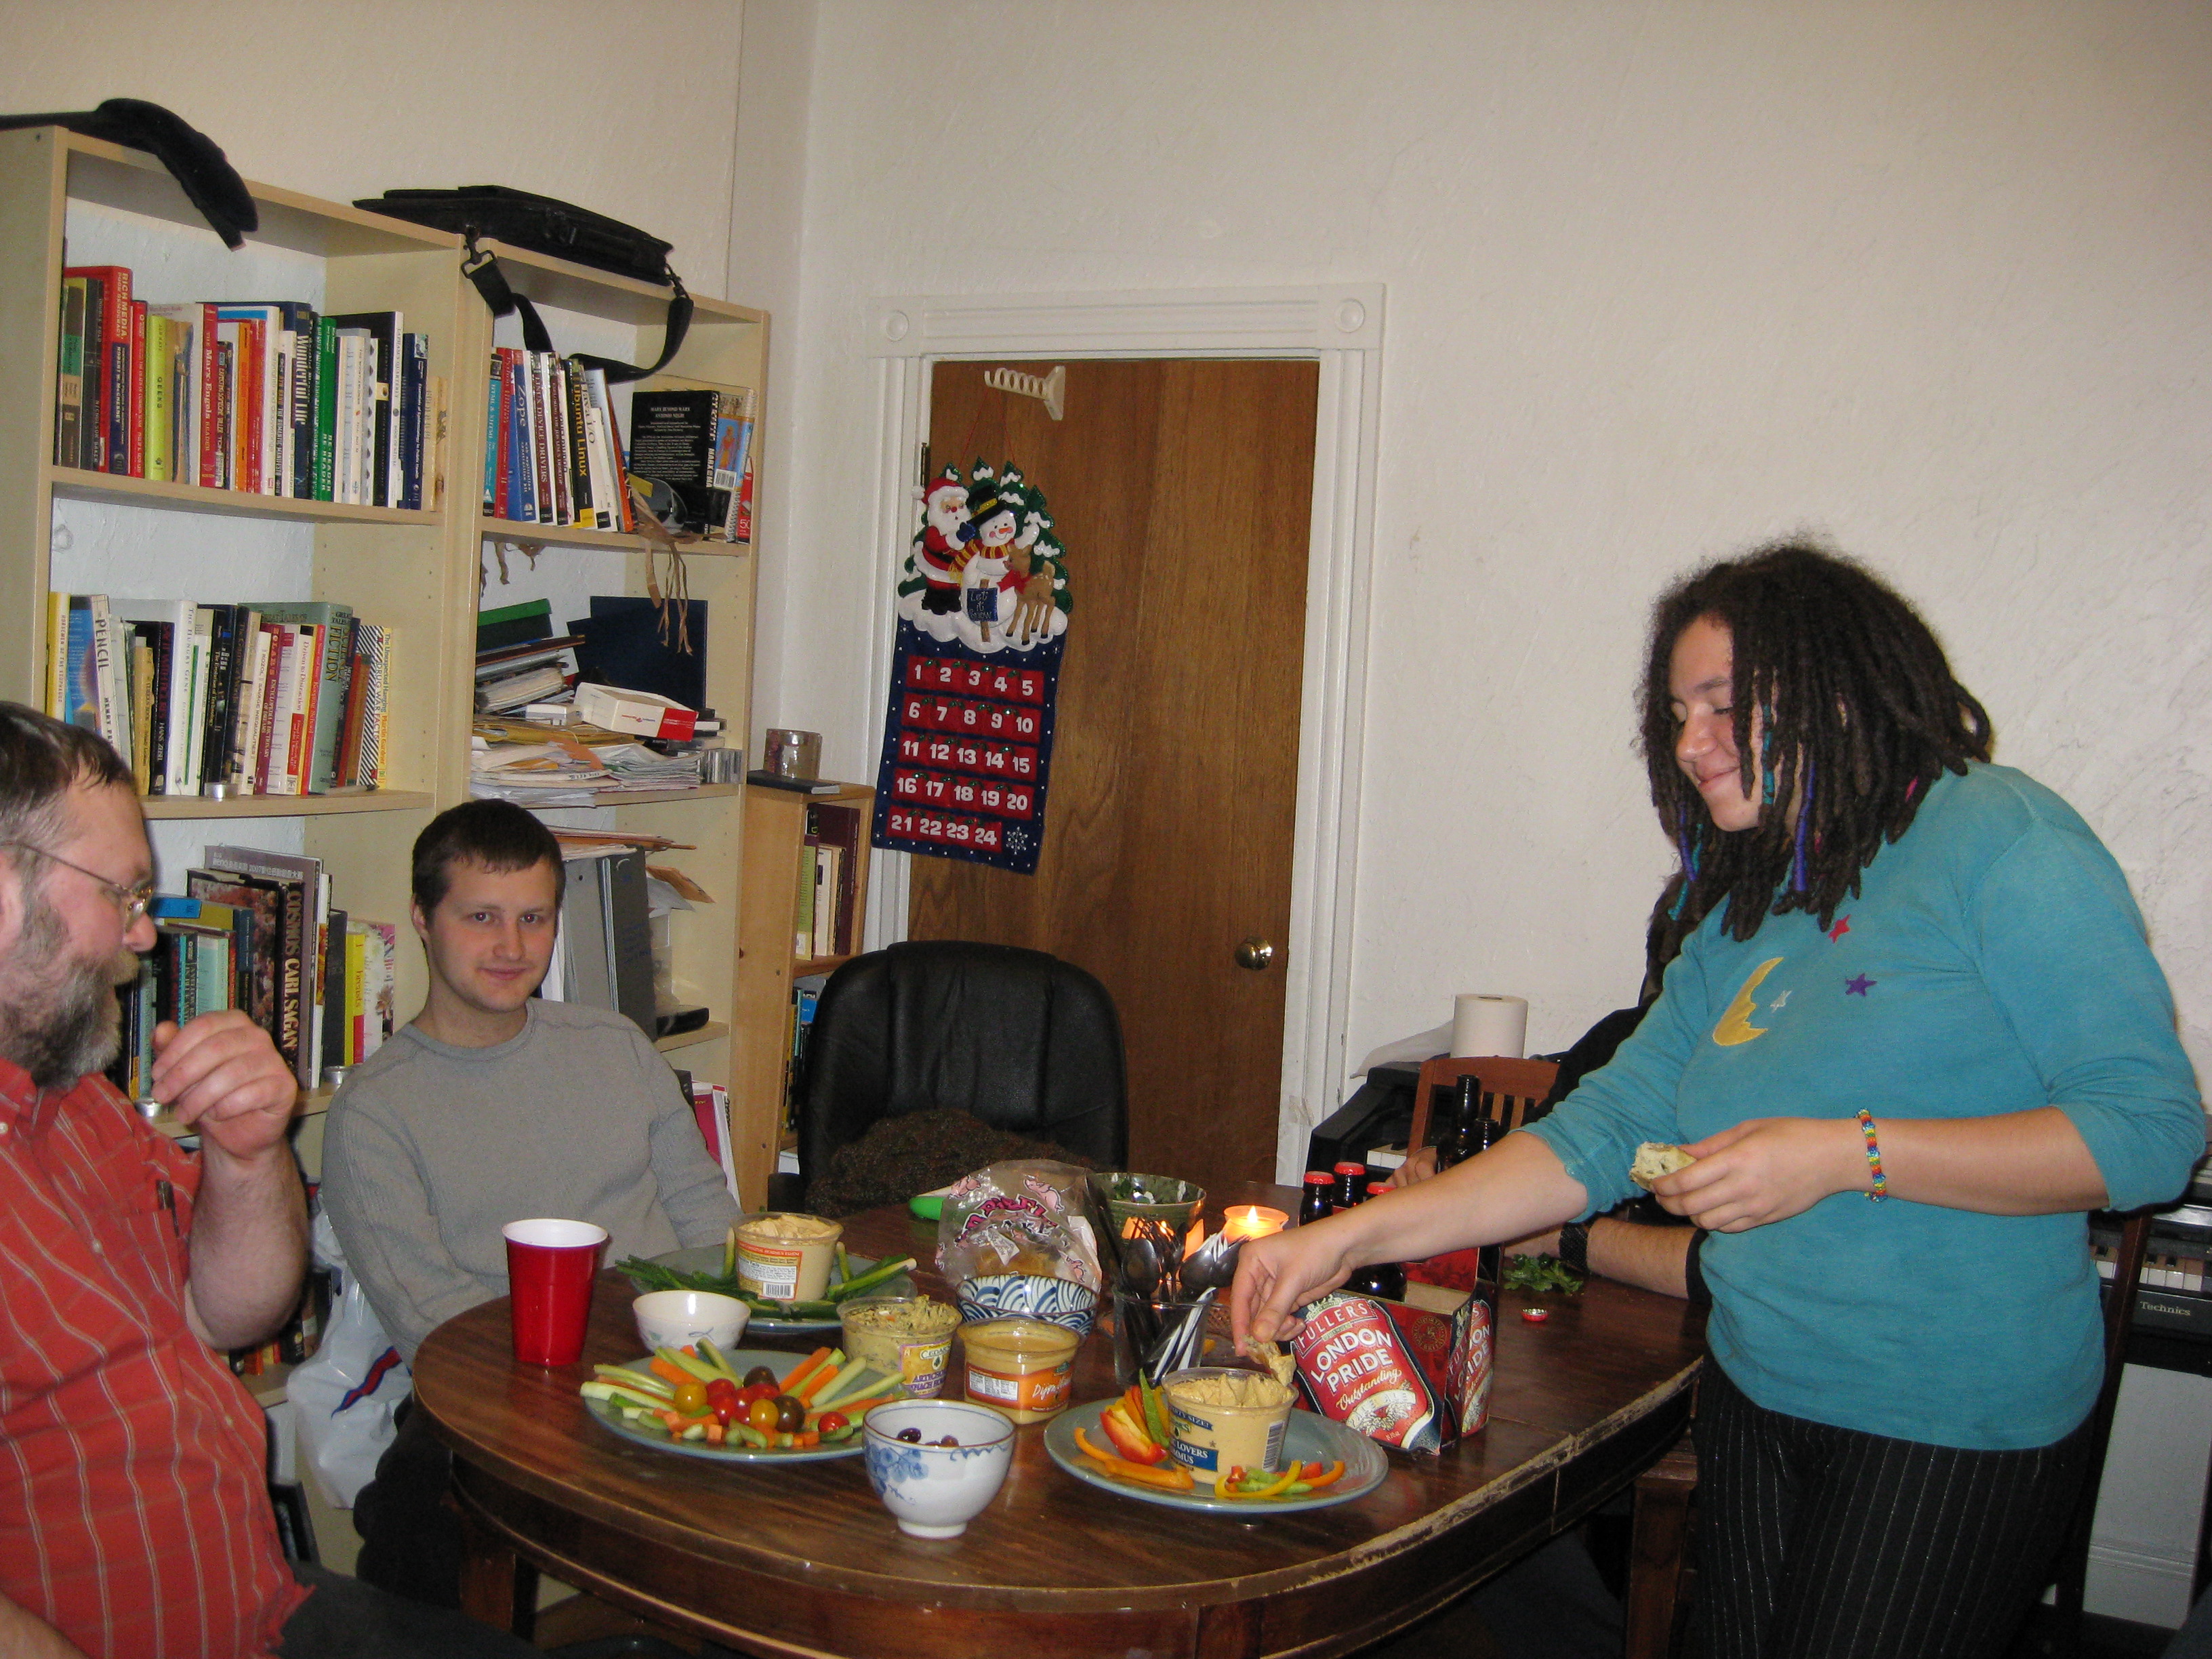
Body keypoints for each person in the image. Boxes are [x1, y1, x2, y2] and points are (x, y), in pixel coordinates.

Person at [1233, 544, 2203, 1659]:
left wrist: (1846, 1154)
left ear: (1839, 685)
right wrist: (1345, 1239)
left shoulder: (2000, 837)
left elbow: (2148, 1132)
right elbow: (1596, 1131)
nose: (1691, 743)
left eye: (1723, 705)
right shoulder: (1748, 900)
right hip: (1758, 1387)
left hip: (1950, 1416)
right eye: (1676, 714)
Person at [0, 703, 536, 1659]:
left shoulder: (75, 1103)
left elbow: (231, 1315)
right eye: (122, 895)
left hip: (264, 1610)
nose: (143, 937)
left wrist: (248, 1157)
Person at [321, 800, 741, 1609]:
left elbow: (705, 1214)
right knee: (421, 1521)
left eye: (534, 919)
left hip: (675, 1361)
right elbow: (429, 1320)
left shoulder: (615, 1045)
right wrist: (604, 1384)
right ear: (423, 919)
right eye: (481, 917)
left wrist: (701, 1338)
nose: (512, 948)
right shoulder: (375, 1111)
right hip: (497, 1388)